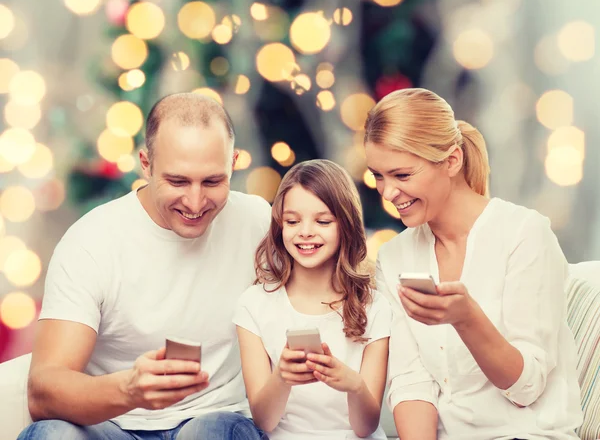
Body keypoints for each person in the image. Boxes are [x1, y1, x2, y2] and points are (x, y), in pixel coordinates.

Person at [18, 93, 271, 440]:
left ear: (234, 163)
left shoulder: (258, 221)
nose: (196, 203)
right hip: (112, 426)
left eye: (213, 181)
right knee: (50, 435)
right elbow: (43, 391)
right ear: (146, 164)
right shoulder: (91, 242)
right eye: (178, 181)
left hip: (214, 420)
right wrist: (129, 391)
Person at [364, 88, 583, 440]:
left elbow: (526, 387)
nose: (387, 193)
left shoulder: (524, 234)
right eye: (378, 176)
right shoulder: (394, 257)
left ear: (452, 161)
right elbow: (411, 383)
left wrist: (466, 318)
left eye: (401, 176)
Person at [233, 159, 392, 440]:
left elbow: (365, 427)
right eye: (293, 221)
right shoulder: (254, 304)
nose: (305, 231)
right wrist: (282, 376)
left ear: (346, 225)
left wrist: (353, 385)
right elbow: (264, 421)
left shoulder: (374, 306)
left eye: (322, 221)